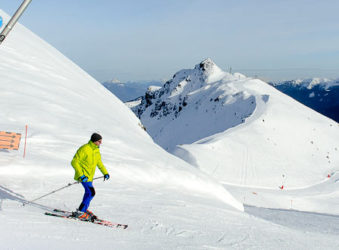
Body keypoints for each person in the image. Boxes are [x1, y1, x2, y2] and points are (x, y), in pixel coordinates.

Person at [71, 133, 110, 220]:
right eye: (99, 141)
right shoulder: (85, 149)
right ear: (95, 141)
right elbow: (74, 162)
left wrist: (105, 173)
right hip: (83, 176)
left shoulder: (96, 150)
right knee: (91, 192)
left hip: (89, 177)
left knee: (89, 193)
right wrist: (81, 175)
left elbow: (99, 163)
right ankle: (81, 212)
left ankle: (83, 210)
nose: (101, 143)